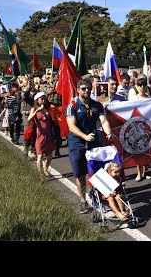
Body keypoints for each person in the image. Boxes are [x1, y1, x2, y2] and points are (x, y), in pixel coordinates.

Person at [66, 79, 113, 214]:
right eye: (83, 88)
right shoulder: (73, 106)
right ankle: (83, 200)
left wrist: (108, 133)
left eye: (88, 88)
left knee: (99, 171)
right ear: (78, 90)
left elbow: (103, 121)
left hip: (94, 143)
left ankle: (103, 198)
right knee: (80, 174)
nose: (86, 91)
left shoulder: (97, 105)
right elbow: (71, 126)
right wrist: (84, 136)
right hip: (77, 144)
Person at [127, 74, 151, 181]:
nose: (142, 87)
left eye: (144, 85)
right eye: (140, 85)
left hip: (147, 126)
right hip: (136, 126)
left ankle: (145, 172)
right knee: (137, 150)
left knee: (146, 150)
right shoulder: (133, 98)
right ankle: (139, 172)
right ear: (137, 86)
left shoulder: (150, 98)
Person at [28, 92, 55, 181]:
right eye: (41, 99)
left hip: (48, 134)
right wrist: (37, 111)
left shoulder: (47, 108)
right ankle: (40, 175)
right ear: (37, 100)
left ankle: (46, 169)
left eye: (44, 99)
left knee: (50, 155)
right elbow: (29, 119)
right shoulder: (34, 108)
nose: (43, 101)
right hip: (40, 135)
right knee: (40, 155)